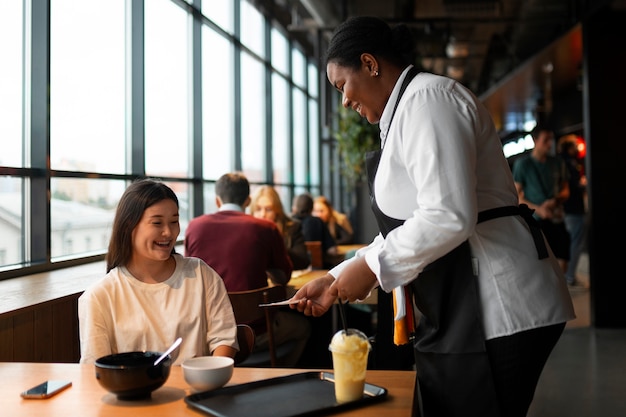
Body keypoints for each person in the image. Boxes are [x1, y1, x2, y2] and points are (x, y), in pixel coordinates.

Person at [289, 16, 575, 417]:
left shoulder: (428, 100)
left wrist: (371, 267)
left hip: (500, 301)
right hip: (469, 299)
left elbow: (447, 215)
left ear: (370, 64)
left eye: (343, 86)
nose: (344, 101)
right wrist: (337, 278)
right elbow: (410, 222)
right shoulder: (406, 110)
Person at [78, 178, 238, 366]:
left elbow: (224, 339)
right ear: (129, 225)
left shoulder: (200, 274)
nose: (169, 233)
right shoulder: (99, 296)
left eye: (174, 221)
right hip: (133, 392)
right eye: (157, 223)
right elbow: (96, 368)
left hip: (198, 389)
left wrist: (211, 374)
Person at [184, 172, 310, 367]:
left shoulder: (194, 227)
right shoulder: (266, 228)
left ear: (218, 201)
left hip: (208, 332)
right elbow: (283, 277)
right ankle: (280, 375)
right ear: (248, 200)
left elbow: (188, 278)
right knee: (303, 328)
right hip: (257, 331)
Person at [513, 126, 571, 273]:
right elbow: (516, 197)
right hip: (536, 221)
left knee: (563, 260)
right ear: (535, 140)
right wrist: (539, 209)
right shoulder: (523, 164)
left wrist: (555, 201)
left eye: (551, 139)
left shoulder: (557, 163)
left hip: (556, 218)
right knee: (541, 265)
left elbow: (565, 190)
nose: (550, 144)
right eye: (545, 140)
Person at [249, 185, 310, 270]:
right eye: (258, 209)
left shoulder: (292, 227)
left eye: (268, 209)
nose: (263, 214)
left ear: (277, 211)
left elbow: (303, 262)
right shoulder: (246, 229)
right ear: (252, 211)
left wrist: (276, 244)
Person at [558, 134, 588, 287]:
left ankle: (567, 275)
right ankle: (569, 276)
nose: (578, 147)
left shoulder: (560, 162)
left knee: (570, 242)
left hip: (566, 210)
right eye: (575, 145)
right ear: (569, 147)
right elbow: (573, 186)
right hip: (574, 209)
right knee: (575, 243)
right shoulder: (569, 163)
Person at [291, 193, 340, 268]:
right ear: (311, 208)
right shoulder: (317, 222)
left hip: (293, 269)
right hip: (318, 269)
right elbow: (332, 251)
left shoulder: (288, 223)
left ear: (294, 208)